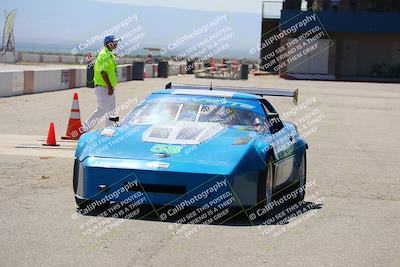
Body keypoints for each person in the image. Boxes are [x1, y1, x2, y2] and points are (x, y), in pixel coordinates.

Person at [83, 35, 120, 131]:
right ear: (109, 44)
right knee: (102, 109)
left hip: (108, 86)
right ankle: (85, 128)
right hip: (103, 87)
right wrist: (109, 87)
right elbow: (103, 72)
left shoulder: (110, 54)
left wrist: (111, 86)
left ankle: (109, 129)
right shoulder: (104, 54)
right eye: (114, 42)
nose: (116, 44)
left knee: (111, 109)